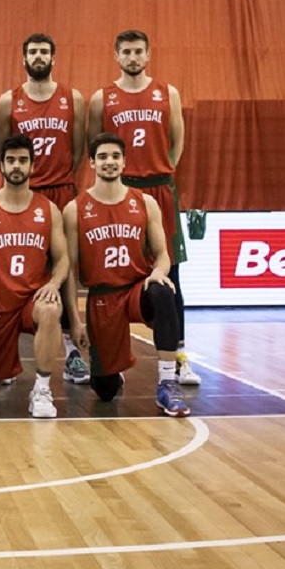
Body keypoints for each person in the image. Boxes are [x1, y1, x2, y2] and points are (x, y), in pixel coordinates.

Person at [87, 30, 200, 384]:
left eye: (138, 51)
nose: (133, 57)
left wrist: (162, 171)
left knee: (171, 278)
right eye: (126, 52)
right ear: (116, 56)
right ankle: (111, 356)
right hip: (121, 191)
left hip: (160, 189)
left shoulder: (167, 93)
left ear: (148, 55)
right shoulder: (101, 98)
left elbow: (177, 141)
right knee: (113, 275)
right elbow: (95, 145)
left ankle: (180, 357)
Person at [62, 133, 191, 417]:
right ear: (92, 163)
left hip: (136, 288)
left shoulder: (145, 203)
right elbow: (68, 272)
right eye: (103, 157)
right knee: (105, 391)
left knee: (163, 290)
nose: (110, 162)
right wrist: (75, 321)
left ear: (124, 162)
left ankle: (167, 383)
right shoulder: (74, 209)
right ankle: (111, 373)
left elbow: (162, 255)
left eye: (115, 157)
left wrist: (158, 272)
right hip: (102, 298)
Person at [0, 32, 90, 386]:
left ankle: (73, 352)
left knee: (66, 271)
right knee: (14, 271)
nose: (38, 57)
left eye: (44, 52)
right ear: (23, 59)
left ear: (53, 58)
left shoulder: (72, 98)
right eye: (32, 51)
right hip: (23, 194)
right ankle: (5, 353)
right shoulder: (8, 102)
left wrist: (62, 181)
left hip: (61, 191)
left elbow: (78, 150)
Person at [0, 135, 85, 417]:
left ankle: (42, 389)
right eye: (11, 160)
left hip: (33, 301)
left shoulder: (48, 210)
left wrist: (54, 283)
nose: (17, 166)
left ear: (32, 166)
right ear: (1, 166)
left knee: (52, 308)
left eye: (23, 160)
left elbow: (63, 258)